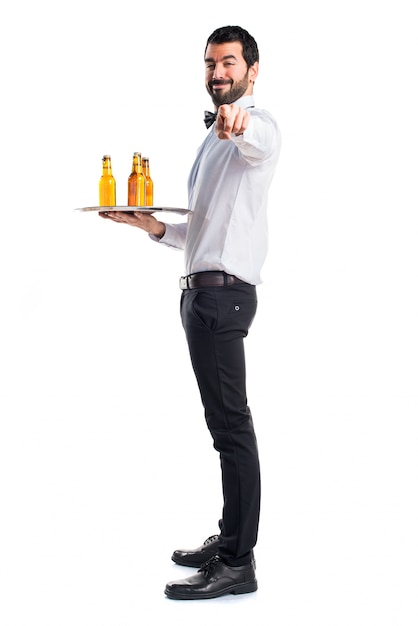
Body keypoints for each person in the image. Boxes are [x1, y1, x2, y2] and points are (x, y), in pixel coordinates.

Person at [100, 25, 281, 600]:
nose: (217, 72)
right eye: (210, 63)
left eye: (229, 62)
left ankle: (239, 561)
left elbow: (261, 140)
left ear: (252, 70)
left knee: (233, 429)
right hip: (202, 292)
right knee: (221, 429)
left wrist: (241, 123)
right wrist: (152, 227)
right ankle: (229, 538)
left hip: (222, 297)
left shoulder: (260, 125)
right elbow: (200, 232)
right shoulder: (208, 143)